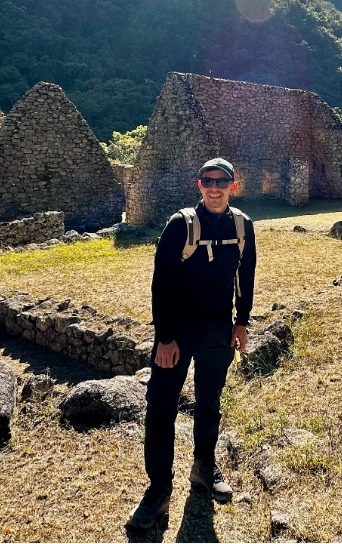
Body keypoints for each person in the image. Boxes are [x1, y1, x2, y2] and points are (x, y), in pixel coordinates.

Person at [127, 157, 256, 532]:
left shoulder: (242, 226)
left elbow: (245, 277)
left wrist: (242, 321)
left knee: (210, 400)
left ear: (234, 185)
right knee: (162, 405)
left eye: (222, 181)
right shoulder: (180, 225)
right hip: (179, 329)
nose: (214, 188)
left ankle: (203, 467)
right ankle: (158, 489)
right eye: (207, 181)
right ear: (198, 185)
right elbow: (161, 284)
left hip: (218, 328)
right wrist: (164, 337)